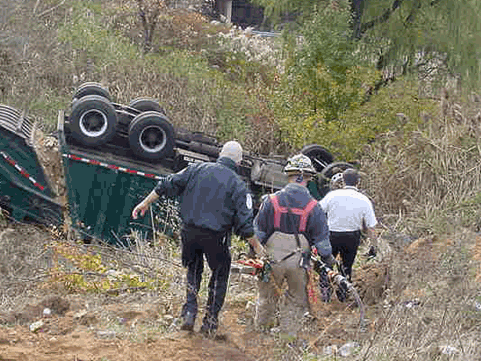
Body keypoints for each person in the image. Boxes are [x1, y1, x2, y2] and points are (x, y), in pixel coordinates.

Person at [131, 140, 265, 336]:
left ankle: (189, 313)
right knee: (220, 275)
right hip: (216, 237)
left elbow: (166, 184)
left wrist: (144, 203)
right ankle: (209, 322)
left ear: (221, 154)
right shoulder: (238, 185)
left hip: (189, 232)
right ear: (239, 161)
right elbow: (245, 226)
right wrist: (259, 248)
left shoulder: (195, 169)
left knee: (193, 269)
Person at [253, 154, 334, 338]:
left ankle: (261, 336)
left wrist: (255, 253)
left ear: (288, 175)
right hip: (299, 263)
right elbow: (322, 241)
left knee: (267, 298)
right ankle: (287, 336)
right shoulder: (314, 207)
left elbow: (258, 233)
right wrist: (327, 259)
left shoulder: (271, 201)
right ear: (308, 178)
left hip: (271, 260)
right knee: (297, 300)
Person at [318, 168, 377, 301]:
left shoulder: (332, 195)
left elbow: (317, 211)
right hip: (351, 237)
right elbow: (371, 227)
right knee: (346, 267)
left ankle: (325, 295)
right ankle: (343, 295)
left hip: (331, 235)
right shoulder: (363, 199)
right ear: (358, 182)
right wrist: (374, 246)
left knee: (325, 265)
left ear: (343, 181)